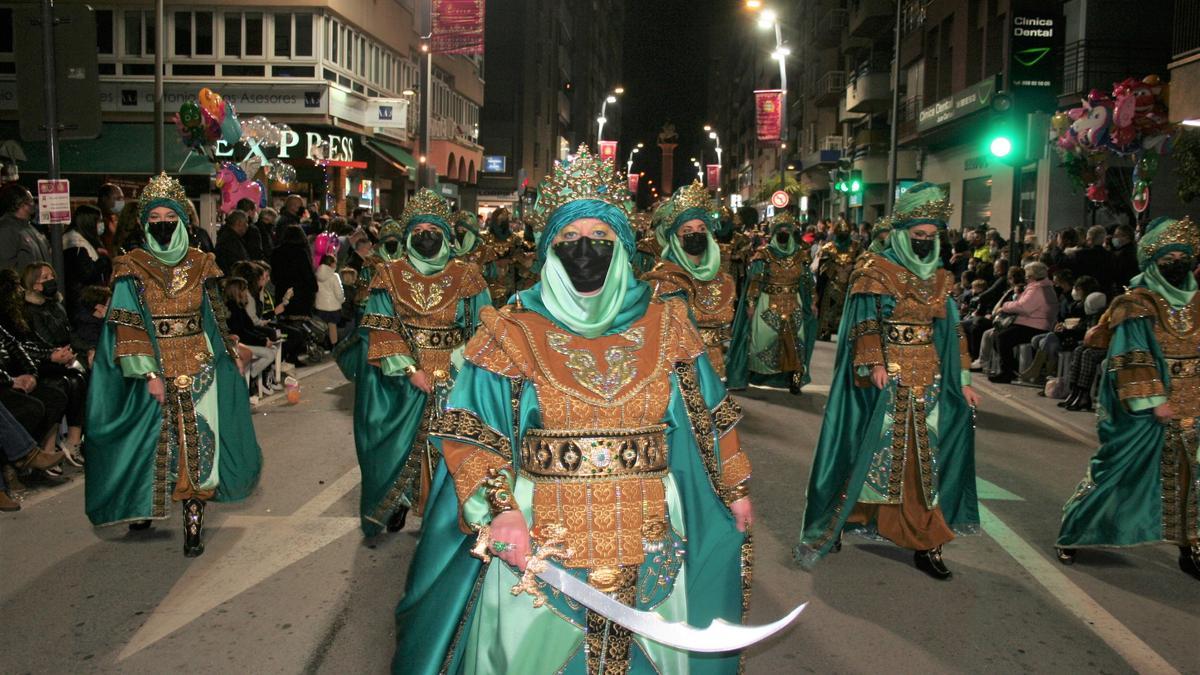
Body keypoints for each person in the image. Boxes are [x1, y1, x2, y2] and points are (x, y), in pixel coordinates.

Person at [393, 145, 753, 674]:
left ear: (625, 248)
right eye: (569, 240)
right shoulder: (511, 331)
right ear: (548, 250)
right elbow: (472, 431)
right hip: (540, 538)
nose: (586, 253)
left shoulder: (669, 326)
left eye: (601, 241)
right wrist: (502, 509)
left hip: (652, 533)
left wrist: (735, 489)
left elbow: (709, 419)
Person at [798, 183, 981, 580]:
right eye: (918, 237)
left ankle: (924, 537)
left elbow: (955, 331)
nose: (925, 244)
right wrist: (873, 364)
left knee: (922, 461)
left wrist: (962, 379)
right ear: (902, 234)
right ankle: (846, 515)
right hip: (887, 380)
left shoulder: (940, 278)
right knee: (868, 451)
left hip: (929, 379)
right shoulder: (875, 270)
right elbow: (865, 321)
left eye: (931, 237)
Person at [84, 173, 262, 557]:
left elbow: (213, 319)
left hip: (200, 368)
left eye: (169, 215)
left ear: (183, 220)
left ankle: (193, 523)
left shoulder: (203, 264)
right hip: (150, 369)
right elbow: (127, 327)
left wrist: (232, 351)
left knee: (197, 445)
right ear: (145, 222)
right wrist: (147, 374)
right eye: (155, 216)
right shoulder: (131, 268)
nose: (162, 222)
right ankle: (142, 505)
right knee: (149, 445)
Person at [1055, 216, 1200, 581]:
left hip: (1195, 402)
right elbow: (1129, 356)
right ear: (1154, 264)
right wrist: (1153, 400)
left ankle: (1191, 545)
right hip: (1149, 409)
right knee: (1118, 471)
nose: (1177, 266)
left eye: (1183, 258)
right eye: (1169, 261)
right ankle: (1075, 532)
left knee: (1193, 478)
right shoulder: (1135, 304)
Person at [353, 190, 490, 538]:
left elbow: (483, 328)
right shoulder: (389, 273)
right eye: (418, 228)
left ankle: (446, 510)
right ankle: (400, 501)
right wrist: (410, 370)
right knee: (401, 445)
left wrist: (462, 368)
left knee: (453, 447)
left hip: (457, 375)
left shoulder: (468, 275)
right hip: (403, 377)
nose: (426, 234)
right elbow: (380, 327)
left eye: (433, 227)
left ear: (446, 234)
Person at [643, 181, 738, 378]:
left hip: (715, 364)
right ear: (675, 238)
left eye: (702, 229)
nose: (696, 234)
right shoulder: (663, 278)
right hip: (678, 368)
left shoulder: (723, 279)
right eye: (687, 230)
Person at [726, 211, 817, 394]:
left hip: (794, 303)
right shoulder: (764, 254)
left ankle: (795, 381)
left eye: (787, 230)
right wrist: (751, 303)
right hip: (767, 302)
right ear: (774, 233)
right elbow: (755, 280)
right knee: (761, 341)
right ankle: (752, 376)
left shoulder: (800, 255)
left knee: (796, 344)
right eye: (780, 230)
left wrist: (812, 301)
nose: (783, 233)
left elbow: (808, 282)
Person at [18, 263, 90, 464]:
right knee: (61, 386)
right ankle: (48, 448)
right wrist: (55, 354)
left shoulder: (56, 305)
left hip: (63, 358)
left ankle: (73, 441)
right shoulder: (28, 310)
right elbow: (36, 341)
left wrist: (85, 350)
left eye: (52, 275)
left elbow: (69, 334)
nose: (51, 280)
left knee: (79, 379)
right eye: (44, 277)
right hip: (43, 363)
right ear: (34, 285)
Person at [988, 261, 1058, 383]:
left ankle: (1007, 372)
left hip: (1035, 326)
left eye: (1027, 273)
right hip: (1033, 323)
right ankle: (1011, 369)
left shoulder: (1038, 289)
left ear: (1031, 275)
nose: (1025, 276)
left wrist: (1005, 306)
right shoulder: (1042, 286)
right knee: (997, 335)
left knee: (1003, 337)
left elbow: (1024, 307)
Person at [223, 276, 278, 398]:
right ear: (238, 291)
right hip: (240, 342)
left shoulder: (239, 307)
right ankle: (251, 378)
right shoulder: (233, 309)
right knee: (269, 354)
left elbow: (249, 328)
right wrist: (263, 341)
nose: (246, 292)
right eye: (244, 289)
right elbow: (242, 332)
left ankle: (253, 378)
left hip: (246, 340)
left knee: (272, 351)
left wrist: (264, 339)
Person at [814, 220, 862, 340]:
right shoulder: (828, 248)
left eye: (845, 232)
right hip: (832, 283)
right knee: (829, 309)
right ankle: (825, 331)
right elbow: (822, 269)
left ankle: (847, 332)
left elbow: (862, 262)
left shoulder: (856, 246)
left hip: (850, 283)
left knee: (848, 309)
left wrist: (854, 268)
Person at [61, 204, 113, 316]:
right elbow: (87, 273)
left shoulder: (85, 240)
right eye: (98, 221)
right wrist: (103, 259)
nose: (101, 225)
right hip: (84, 304)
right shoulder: (75, 244)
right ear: (89, 222)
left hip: (89, 302)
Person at [481, 206, 534, 306]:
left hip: (510, 274)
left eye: (504, 220)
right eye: (499, 220)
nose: (501, 222)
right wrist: (493, 262)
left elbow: (519, 253)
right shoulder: (485, 237)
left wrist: (511, 260)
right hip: (491, 274)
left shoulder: (514, 238)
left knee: (509, 302)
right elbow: (481, 256)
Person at [270, 225, 318, 319]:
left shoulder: (276, 252)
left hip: (282, 292)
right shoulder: (301, 252)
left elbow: (274, 276)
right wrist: (314, 287)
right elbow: (307, 274)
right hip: (300, 295)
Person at [0, 183, 50, 273]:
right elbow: (6, 268)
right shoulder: (6, 229)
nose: (33, 204)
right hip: (27, 286)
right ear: (21, 204)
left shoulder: (30, 227)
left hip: (41, 286)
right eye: (31, 200)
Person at [314, 254, 345, 345]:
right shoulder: (334, 276)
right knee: (332, 326)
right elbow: (339, 292)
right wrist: (342, 300)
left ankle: (323, 344)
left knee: (321, 326)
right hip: (333, 306)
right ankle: (333, 345)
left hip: (320, 305)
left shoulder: (317, 275)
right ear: (331, 264)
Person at [215, 209, 252, 275]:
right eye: (246, 222)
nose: (247, 225)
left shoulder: (231, 237)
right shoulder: (229, 240)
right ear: (239, 223)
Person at [1109, 224, 1139, 294]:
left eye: (1116, 236)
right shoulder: (1136, 250)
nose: (1114, 238)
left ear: (1126, 237)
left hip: (1122, 290)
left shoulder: (1122, 254)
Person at [97, 183, 125, 253]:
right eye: (118, 198)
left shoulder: (116, 218)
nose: (121, 202)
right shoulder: (94, 218)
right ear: (104, 199)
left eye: (122, 198)